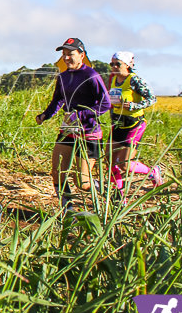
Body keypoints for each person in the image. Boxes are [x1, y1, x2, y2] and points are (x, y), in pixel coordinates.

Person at [36, 38, 112, 212]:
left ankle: (108, 193)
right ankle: (67, 210)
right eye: (64, 54)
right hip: (68, 130)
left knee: (83, 183)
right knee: (57, 172)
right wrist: (45, 115)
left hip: (89, 132)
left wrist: (82, 114)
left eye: (70, 54)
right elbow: (58, 100)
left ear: (81, 55)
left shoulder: (91, 76)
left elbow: (105, 103)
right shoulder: (62, 77)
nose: (66, 58)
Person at [106, 51, 162, 192]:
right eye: (111, 64)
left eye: (117, 64)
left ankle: (152, 172)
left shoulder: (134, 80)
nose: (114, 67)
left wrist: (134, 106)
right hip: (118, 124)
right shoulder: (113, 80)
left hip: (134, 124)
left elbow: (152, 98)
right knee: (109, 160)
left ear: (127, 65)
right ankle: (118, 194)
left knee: (124, 164)